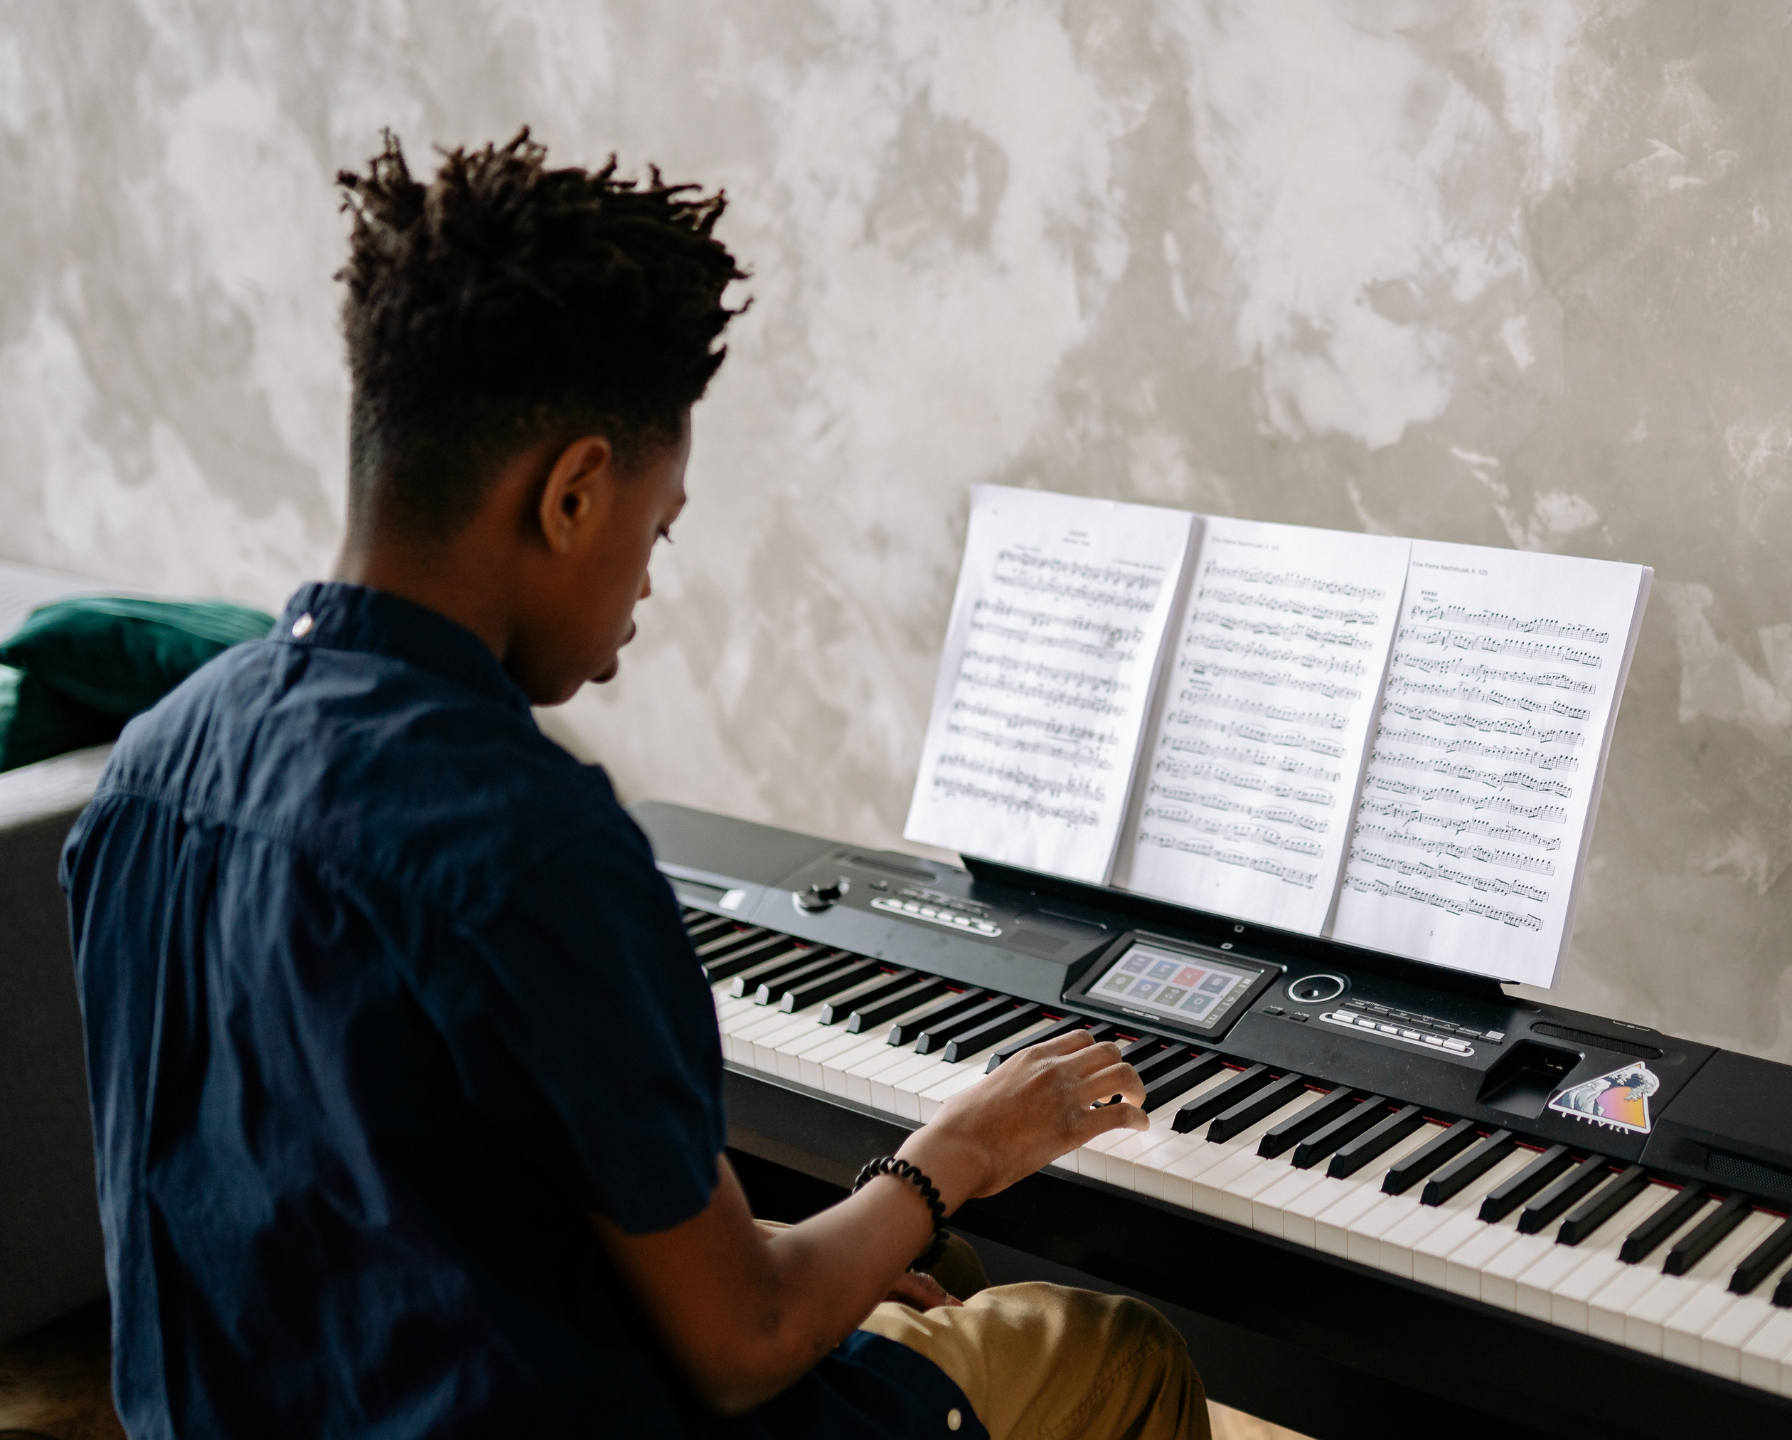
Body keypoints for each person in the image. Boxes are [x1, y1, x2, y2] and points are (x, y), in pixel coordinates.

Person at [59, 131, 1212, 1440]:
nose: (650, 585)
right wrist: (963, 1149)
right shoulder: (526, 836)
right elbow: (747, 1343)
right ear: (573, 492)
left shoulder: (151, 769)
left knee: (921, 1271)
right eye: (657, 529)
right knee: (1110, 1345)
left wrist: (785, 1234)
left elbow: (346, 1193)